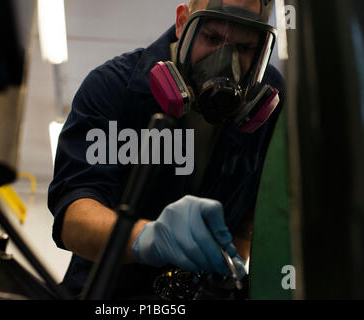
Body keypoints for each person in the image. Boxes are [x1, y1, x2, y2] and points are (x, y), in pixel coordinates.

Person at [48, 0, 285, 299]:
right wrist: (147, 238)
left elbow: (259, 209)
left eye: (244, 48)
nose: (227, 61)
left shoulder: (272, 106)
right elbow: (73, 216)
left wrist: (230, 263)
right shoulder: (113, 88)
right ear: (182, 21)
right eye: (212, 39)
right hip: (110, 294)